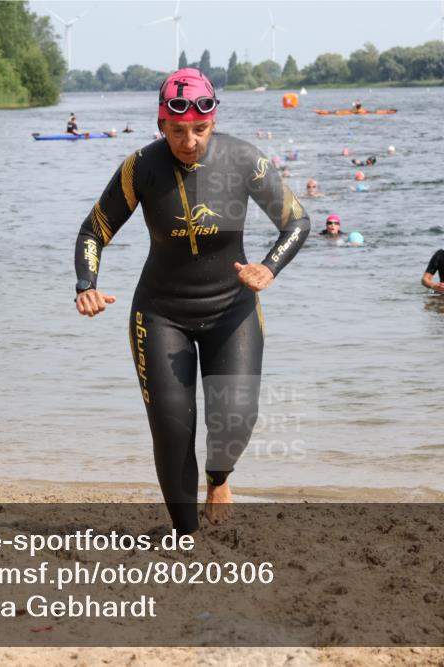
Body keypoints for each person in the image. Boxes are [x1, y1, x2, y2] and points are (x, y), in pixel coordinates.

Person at [73, 68, 310, 535]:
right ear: (161, 124)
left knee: (236, 416)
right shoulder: (141, 167)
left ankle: (219, 477)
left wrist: (269, 266)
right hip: (161, 313)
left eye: (200, 130)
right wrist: (87, 284)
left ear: (213, 121)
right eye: (177, 131)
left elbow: (297, 222)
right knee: (172, 428)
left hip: (233, 309)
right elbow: (93, 230)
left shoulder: (244, 159)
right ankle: (185, 535)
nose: (189, 141)